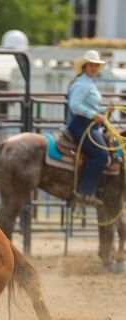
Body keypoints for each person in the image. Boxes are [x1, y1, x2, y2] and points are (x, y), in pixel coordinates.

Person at [67, 49, 114, 207]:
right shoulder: (83, 84)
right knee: (101, 156)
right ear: (85, 66)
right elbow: (75, 105)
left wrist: (103, 111)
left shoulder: (87, 83)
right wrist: (93, 114)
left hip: (88, 124)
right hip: (82, 125)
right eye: (91, 65)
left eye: (96, 65)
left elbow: (88, 105)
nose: (94, 68)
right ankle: (85, 193)